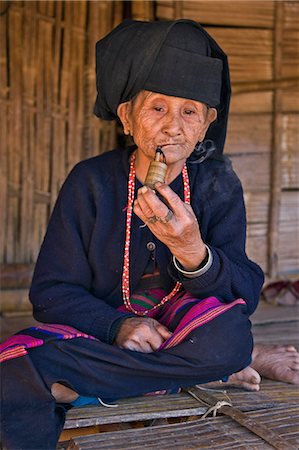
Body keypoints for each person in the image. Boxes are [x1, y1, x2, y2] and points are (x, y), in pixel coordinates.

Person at [1, 19, 298, 450]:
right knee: (12, 368)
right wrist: (117, 325)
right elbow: (51, 293)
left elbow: (246, 292)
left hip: (186, 331)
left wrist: (192, 250)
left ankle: (88, 385)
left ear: (206, 125)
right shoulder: (91, 182)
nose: (173, 127)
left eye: (189, 112)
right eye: (157, 108)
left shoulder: (218, 184)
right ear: (126, 117)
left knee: (228, 339)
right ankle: (202, 370)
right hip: (99, 335)